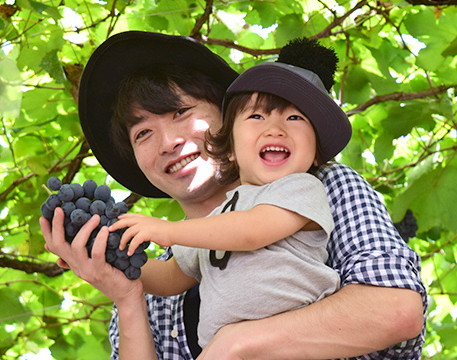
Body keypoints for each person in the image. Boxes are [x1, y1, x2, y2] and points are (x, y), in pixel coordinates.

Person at [40, 31, 426, 359]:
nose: (169, 142)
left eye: (180, 113)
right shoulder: (171, 255)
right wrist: (127, 293)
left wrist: (236, 344)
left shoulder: (318, 185)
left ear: (230, 121)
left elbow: (396, 311)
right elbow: (172, 273)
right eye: (143, 133)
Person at [108, 38, 350, 350]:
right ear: (230, 146)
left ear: (316, 155)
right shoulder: (218, 218)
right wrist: (106, 254)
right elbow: (169, 277)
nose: (274, 130)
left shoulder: (301, 187)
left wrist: (167, 230)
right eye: (256, 117)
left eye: (294, 119)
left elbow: (252, 231)